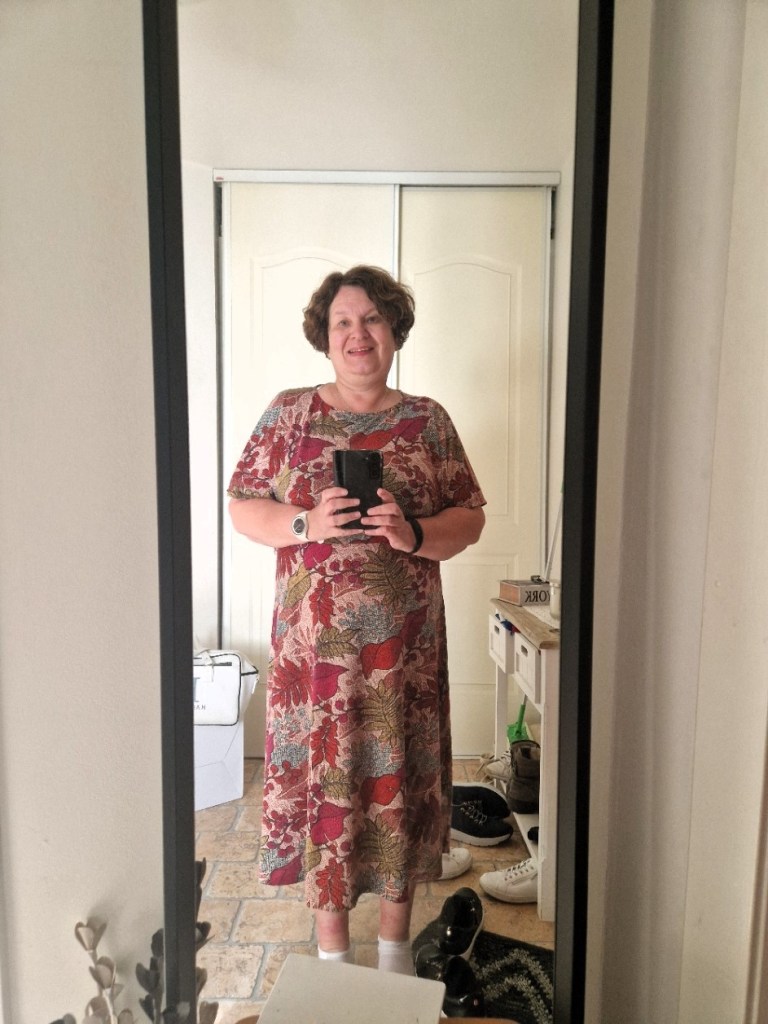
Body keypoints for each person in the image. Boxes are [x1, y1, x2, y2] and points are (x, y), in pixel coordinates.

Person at [227, 265, 486, 974]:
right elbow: (243, 505)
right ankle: (334, 956)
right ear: (324, 335)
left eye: (372, 318)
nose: (357, 334)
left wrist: (413, 533)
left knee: (396, 783)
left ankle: (395, 951)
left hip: (404, 660)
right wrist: (306, 522)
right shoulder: (288, 414)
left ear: (394, 329)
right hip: (315, 664)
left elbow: (469, 518)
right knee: (328, 791)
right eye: (343, 321)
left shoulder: (429, 421)